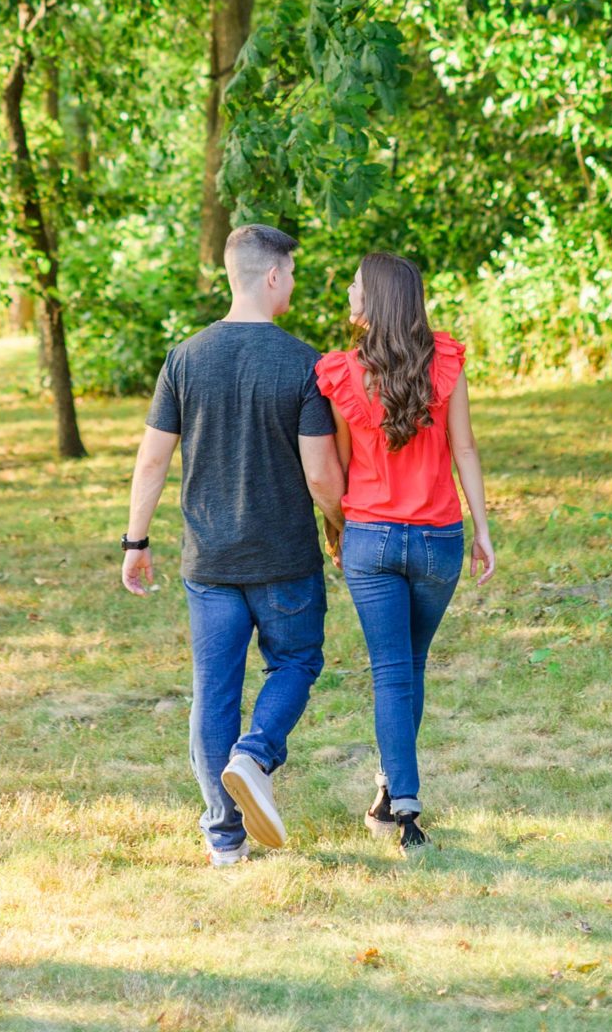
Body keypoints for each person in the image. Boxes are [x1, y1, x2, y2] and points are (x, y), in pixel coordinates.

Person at [120, 223, 344, 865]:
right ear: (272, 276)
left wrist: (136, 540)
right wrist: (340, 525)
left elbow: (152, 462)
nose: (293, 284)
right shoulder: (303, 362)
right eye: (293, 274)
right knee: (296, 663)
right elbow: (322, 474)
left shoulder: (185, 358)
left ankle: (224, 838)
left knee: (213, 691)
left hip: (210, 564)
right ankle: (256, 752)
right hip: (284, 560)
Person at [315, 251, 495, 855]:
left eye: (357, 285)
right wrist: (483, 529)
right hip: (439, 539)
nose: (348, 290)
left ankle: (404, 799)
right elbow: (464, 449)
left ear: (378, 301)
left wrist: (336, 530)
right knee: (409, 668)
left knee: (393, 671)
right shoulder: (444, 362)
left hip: (371, 537)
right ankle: (392, 794)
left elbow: (339, 469)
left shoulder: (342, 373)